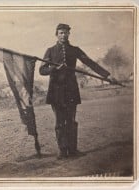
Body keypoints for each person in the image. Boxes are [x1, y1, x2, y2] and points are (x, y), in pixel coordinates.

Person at [39, 23, 115, 159]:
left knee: (71, 121)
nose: (63, 35)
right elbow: (42, 70)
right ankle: (62, 151)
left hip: (71, 90)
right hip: (56, 91)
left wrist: (107, 75)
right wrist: (54, 69)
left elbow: (90, 62)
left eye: (66, 32)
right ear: (56, 34)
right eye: (61, 33)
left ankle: (73, 150)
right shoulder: (50, 51)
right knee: (59, 122)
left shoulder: (75, 50)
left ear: (69, 34)